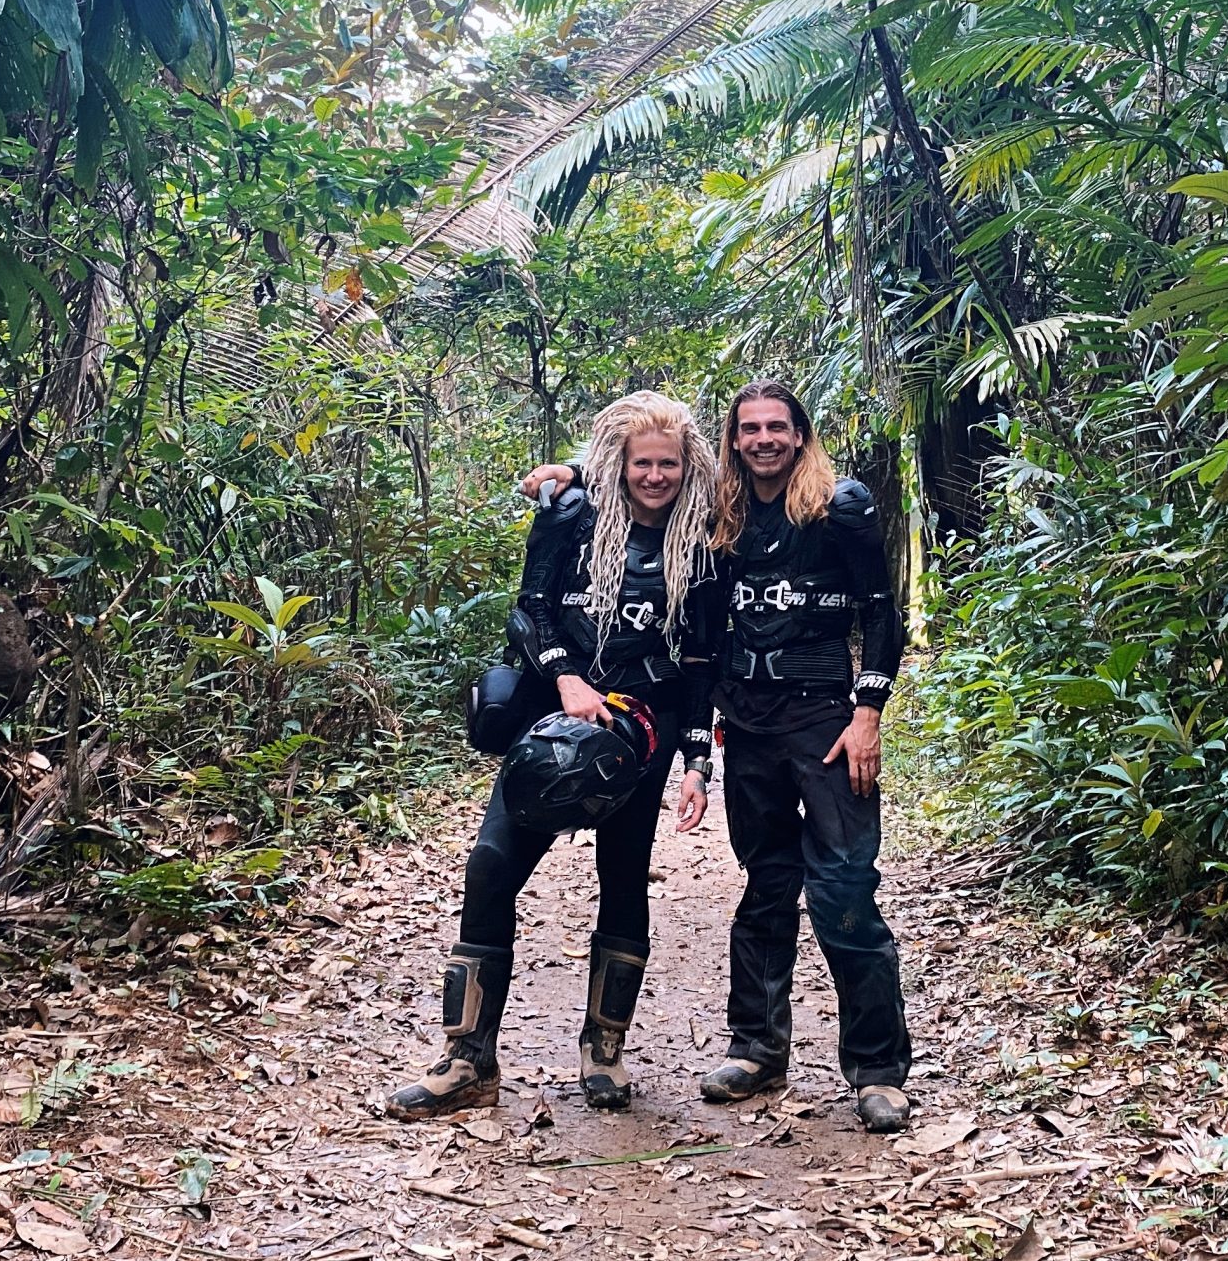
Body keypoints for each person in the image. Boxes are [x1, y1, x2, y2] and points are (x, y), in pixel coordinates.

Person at [526, 380, 913, 1132]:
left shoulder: (840, 506)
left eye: (778, 427)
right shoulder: (720, 519)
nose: (764, 439)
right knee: (767, 884)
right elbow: (639, 478)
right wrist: (568, 471)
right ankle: (758, 1047)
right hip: (752, 724)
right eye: (749, 430)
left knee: (843, 890)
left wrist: (869, 713)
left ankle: (877, 1069)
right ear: (732, 442)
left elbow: (879, 611)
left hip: (827, 721)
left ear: (800, 434)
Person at [388, 392, 720, 1119]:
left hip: (641, 726)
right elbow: (528, 606)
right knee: (491, 866)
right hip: (553, 712)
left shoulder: (704, 539)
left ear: (686, 465)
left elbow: (701, 661)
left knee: (624, 873)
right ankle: (468, 1060)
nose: (655, 477)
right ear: (619, 464)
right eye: (642, 463)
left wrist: (698, 760)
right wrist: (567, 676)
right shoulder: (573, 514)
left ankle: (604, 1050)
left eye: (668, 464)